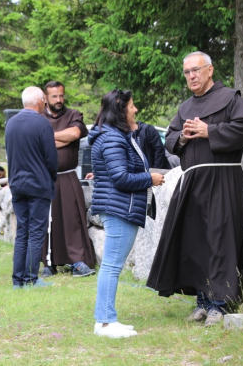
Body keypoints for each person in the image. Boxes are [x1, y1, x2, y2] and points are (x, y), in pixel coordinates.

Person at [146, 51, 243, 327]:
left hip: (222, 180)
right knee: (196, 242)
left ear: (210, 70)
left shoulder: (231, 99)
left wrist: (210, 131)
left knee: (221, 241)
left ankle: (221, 304)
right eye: (187, 72)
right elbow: (169, 139)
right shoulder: (185, 108)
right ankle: (203, 301)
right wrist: (183, 135)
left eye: (196, 70)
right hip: (193, 182)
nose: (191, 76)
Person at [89, 89, 165, 338]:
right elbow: (121, 178)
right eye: (132, 106)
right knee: (111, 266)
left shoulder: (116, 136)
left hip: (120, 207)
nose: (136, 110)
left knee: (112, 266)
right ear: (121, 111)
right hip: (119, 208)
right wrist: (150, 179)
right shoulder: (113, 139)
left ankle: (105, 321)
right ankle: (106, 323)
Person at [40, 81, 96, 278]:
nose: (59, 100)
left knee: (73, 220)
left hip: (68, 176)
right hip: (46, 178)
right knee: (48, 221)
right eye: (54, 96)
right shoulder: (39, 117)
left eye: (61, 95)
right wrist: (61, 139)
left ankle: (77, 262)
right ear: (45, 98)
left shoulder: (73, 115)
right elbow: (36, 141)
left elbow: (75, 133)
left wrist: (47, 138)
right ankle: (49, 262)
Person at [5, 86, 58, 289]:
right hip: (38, 185)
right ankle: (31, 279)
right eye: (44, 99)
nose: (45, 102)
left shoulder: (11, 123)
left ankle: (18, 280)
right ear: (39, 101)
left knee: (22, 232)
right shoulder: (42, 124)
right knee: (36, 233)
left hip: (17, 185)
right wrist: (50, 178)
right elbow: (51, 159)